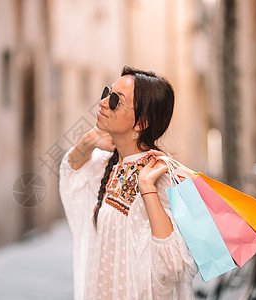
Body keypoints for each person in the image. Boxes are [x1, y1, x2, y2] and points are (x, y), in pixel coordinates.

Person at [59, 66, 198, 299]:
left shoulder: (161, 174)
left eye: (115, 100)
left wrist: (147, 190)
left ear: (141, 123)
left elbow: (174, 265)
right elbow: (71, 171)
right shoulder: (109, 165)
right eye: (107, 93)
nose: (103, 102)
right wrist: (90, 139)